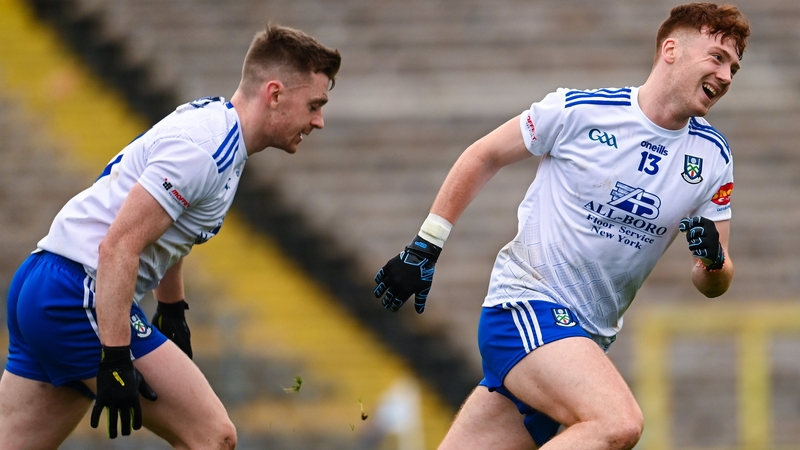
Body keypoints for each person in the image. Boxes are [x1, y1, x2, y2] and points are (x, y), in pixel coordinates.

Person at [373, 3, 749, 449]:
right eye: (716, 57)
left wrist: (712, 258)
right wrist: (425, 247)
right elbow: (483, 155)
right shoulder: (580, 111)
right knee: (617, 422)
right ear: (670, 49)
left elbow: (714, 282)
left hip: (581, 342)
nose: (726, 76)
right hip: (526, 308)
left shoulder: (713, 157)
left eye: (734, 68)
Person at [0, 24, 340, 448]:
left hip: (45, 282)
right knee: (213, 437)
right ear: (274, 94)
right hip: (77, 293)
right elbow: (119, 244)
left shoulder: (217, 132)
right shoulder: (205, 151)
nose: (318, 121)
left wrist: (172, 307)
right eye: (315, 104)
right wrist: (117, 356)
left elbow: (169, 226)